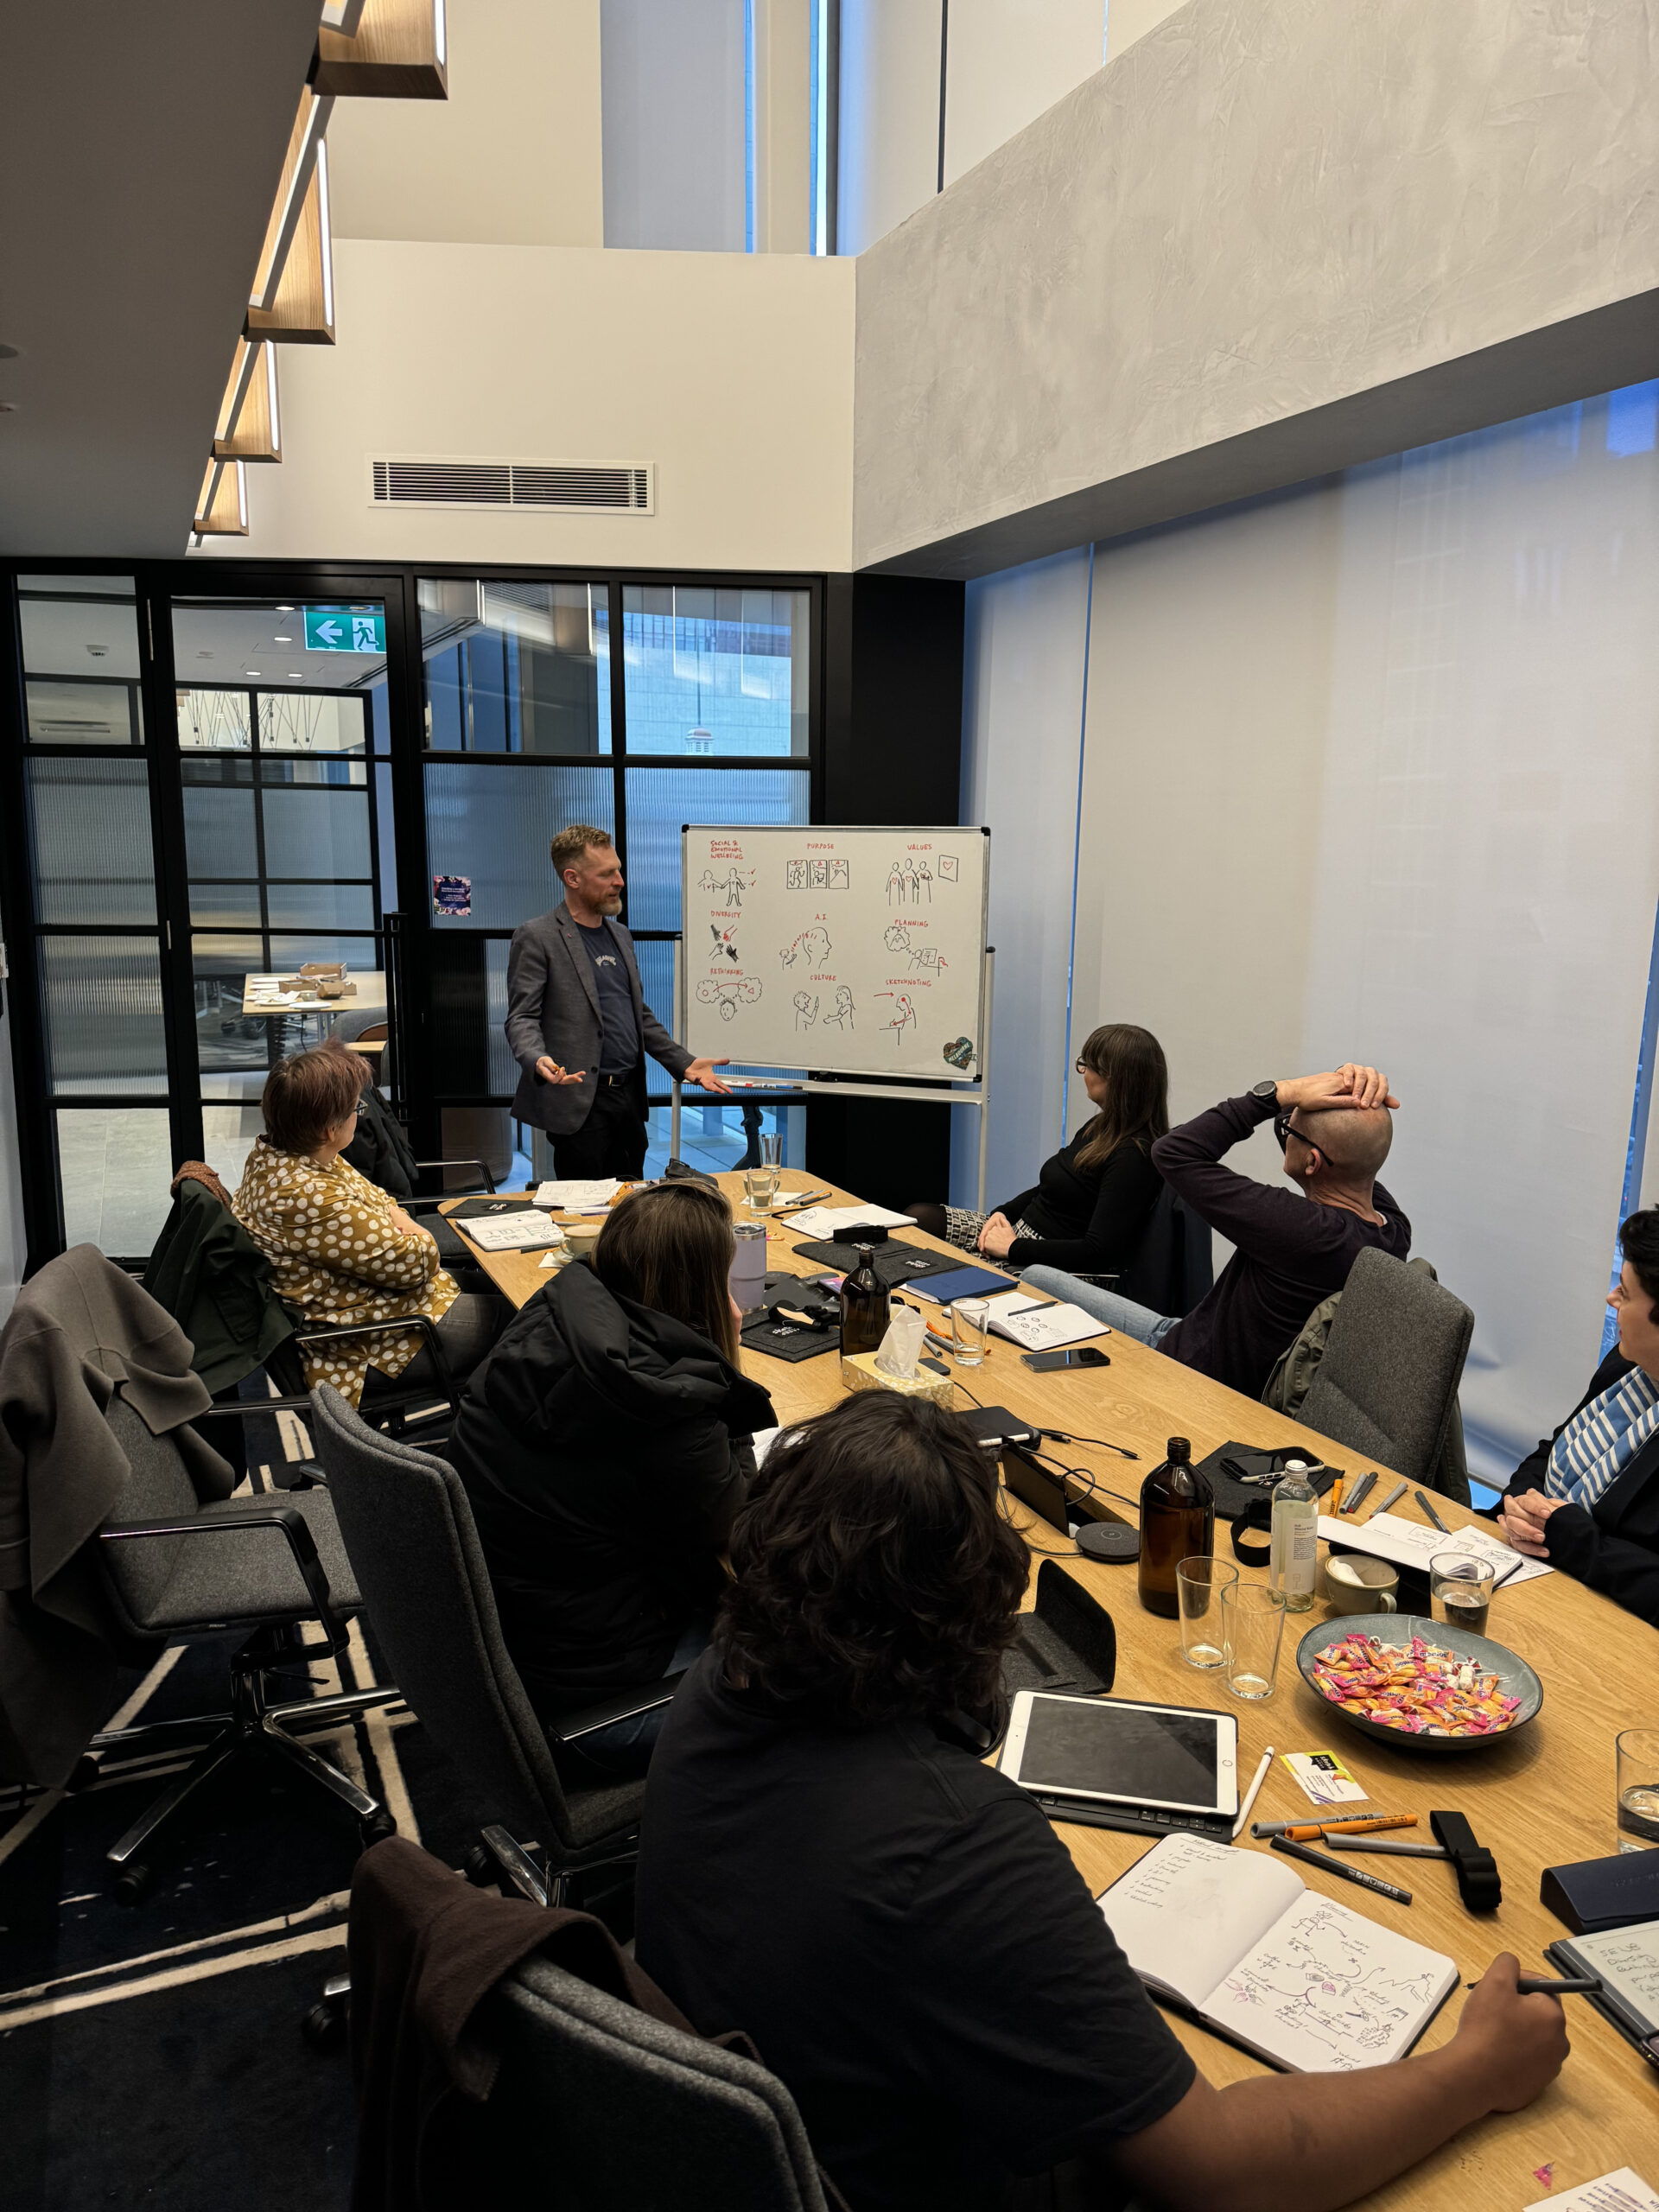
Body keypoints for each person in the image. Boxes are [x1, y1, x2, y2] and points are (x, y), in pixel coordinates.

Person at [634, 1392, 1567, 2212]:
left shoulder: (723, 1680)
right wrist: (1472, 2072)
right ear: (979, 1612)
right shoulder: (955, 1845)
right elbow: (1222, 2171)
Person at [448, 1181, 774, 1772]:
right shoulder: (656, 1407)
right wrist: (723, 1381)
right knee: (826, 1664)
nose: (741, 1304)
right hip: (602, 1702)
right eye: (729, 1280)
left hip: (516, 1654)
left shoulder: (557, 1325)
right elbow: (747, 1530)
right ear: (699, 1292)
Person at [1022, 1063, 1408, 1400]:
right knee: (1039, 1277)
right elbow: (1351, 1148)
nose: (1284, 1130)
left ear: (1312, 1162)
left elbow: (1173, 1152)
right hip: (1194, 1335)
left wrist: (1282, 1091)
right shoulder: (1392, 1230)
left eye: (1291, 1131)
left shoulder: (1300, 1228)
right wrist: (1346, 1081)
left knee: (1033, 1277)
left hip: (1187, 1369)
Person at [233, 1046, 507, 1408]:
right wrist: (416, 1233)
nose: (357, 1116)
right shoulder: (304, 1195)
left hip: (382, 1303)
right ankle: (498, 1431)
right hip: (369, 1342)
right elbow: (418, 1262)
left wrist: (398, 1220)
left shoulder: (287, 1156)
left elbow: (379, 1197)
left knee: (503, 1287)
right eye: (355, 1110)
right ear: (331, 1129)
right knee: (529, 1319)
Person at [505, 823, 731, 1182]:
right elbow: (521, 1017)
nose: (620, 881)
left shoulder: (621, 936)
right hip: (581, 1103)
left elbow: (638, 1016)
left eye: (619, 870)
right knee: (586, 1216)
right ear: (572, 878)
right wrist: (537, 1058)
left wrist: (683, 1062)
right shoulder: (538, 937)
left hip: (627, 1100)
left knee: (631, 1209)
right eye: (607, 873)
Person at [1497, 1207, 1659, 1624]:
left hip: (1610, 1627)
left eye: (1625, 1292)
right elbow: (1554, 1449)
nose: (1611, 1299)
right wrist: (1522, 1504)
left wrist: (1572, 1538)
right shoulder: (1627, 1364)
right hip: (1542, 1577)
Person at [905, 1022, 1167, 1274]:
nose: (1083, 1073)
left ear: (1116, 1079)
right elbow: (1048, 1188)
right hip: (1019, 1233)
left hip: (1041, 1262)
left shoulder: (1133, 1156)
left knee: (926, 1270)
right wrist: (1002, 1213)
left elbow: (1097, 1252)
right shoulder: (1101, 1126)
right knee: (919, 1220)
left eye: (1088, 1066)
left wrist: (1012, 1248)